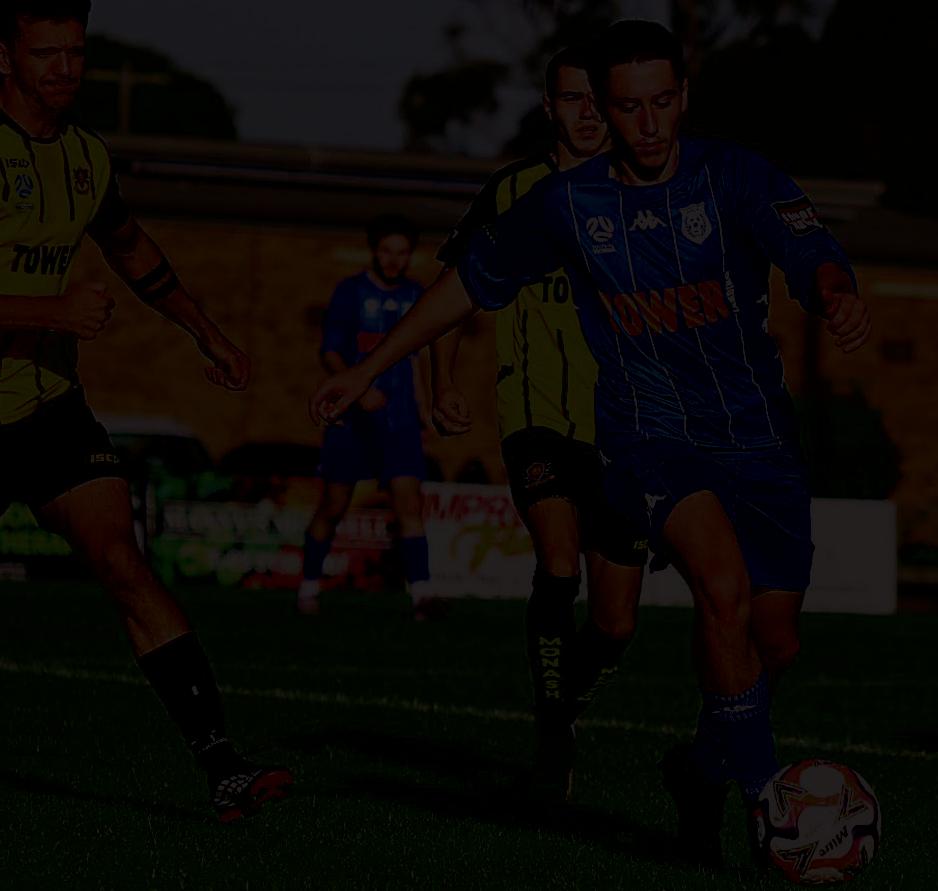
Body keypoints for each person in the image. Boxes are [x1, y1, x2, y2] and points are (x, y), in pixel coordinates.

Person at [310, 20, 871, 864]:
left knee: (775, 641)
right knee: (720, 589)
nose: (647, 125)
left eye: (661, 103)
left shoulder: (735, 175)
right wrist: (368, 367)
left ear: (683, 97)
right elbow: (466, 284)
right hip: (650, 436)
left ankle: (702, 770)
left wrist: (835, 291)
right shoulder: (568, 203)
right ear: (604, 111)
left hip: (758, 438)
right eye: (628, 108)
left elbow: (811, 249)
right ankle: (771, 807)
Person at [0, 0, 289, 822]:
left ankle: (223, 766)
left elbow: (130, 248)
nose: (65, 69)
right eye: (46, 53)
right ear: (4, 58)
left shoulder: (87, 156)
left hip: (48, 406)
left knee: (124, 561)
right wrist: (52, 311)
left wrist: (206, 331)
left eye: (76, 52)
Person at [429, 44, 646, 802]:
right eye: (572, 99)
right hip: (536, 413)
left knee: (615, 624)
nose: (588, 114)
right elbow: (455, 285)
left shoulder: (642, 190)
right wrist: (443, 381)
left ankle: (566, 698)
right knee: (558, 562)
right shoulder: (513, 189)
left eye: (598, 99)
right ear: (548, 106)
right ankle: (553, 729)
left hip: (624, 427)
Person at [297, 214, 438, 619]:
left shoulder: (416, 296)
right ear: (374, 251)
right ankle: (308, 588)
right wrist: (357, 391)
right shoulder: (350, 292)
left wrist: (424, 408)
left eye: (402, 252)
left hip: (400, 421)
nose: (394, 260)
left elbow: (417, 359)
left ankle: (423, 596)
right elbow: (330, 352)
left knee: (409, 503)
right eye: (387, 251)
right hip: (353, 421)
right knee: (334, 504)